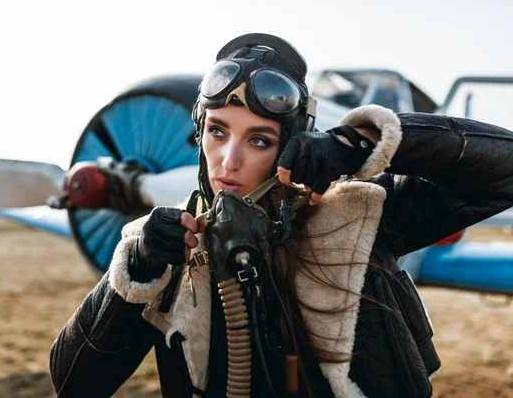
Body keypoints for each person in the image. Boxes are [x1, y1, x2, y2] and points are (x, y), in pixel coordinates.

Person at [49, 33, 513, 397]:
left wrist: (367, 142)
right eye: (217, 131)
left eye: (259, 140)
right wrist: (139, 271)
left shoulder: (361, 217)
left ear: (292, 145)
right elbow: (73, 383)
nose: (228, 162)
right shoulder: (161, 246)